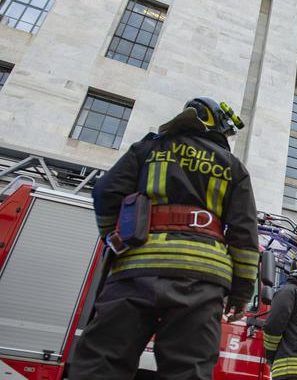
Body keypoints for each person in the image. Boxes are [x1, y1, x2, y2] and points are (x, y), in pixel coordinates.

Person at [70, 97, 260, 380]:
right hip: (201, 279)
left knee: (102, 363)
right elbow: (244, 236)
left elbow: (105, 193)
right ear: (217, 124)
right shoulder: (233, 167)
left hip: (136, 271)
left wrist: (116, 239)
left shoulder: (147, 149)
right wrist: (241, 293)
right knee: (188, 370)